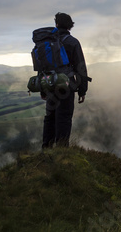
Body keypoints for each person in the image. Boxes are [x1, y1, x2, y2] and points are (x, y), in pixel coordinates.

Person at [41, 12, 90, 149]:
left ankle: (46, 149)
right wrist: (82, 90)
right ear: (70, 26)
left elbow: (44, 66)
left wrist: (43, 88)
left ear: (56, 24)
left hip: (50, 85)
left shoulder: (48, 42)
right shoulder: (73, 42)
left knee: (50, 117)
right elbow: (80, 67)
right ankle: (62, 150)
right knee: (64, 117)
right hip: (66, 86)